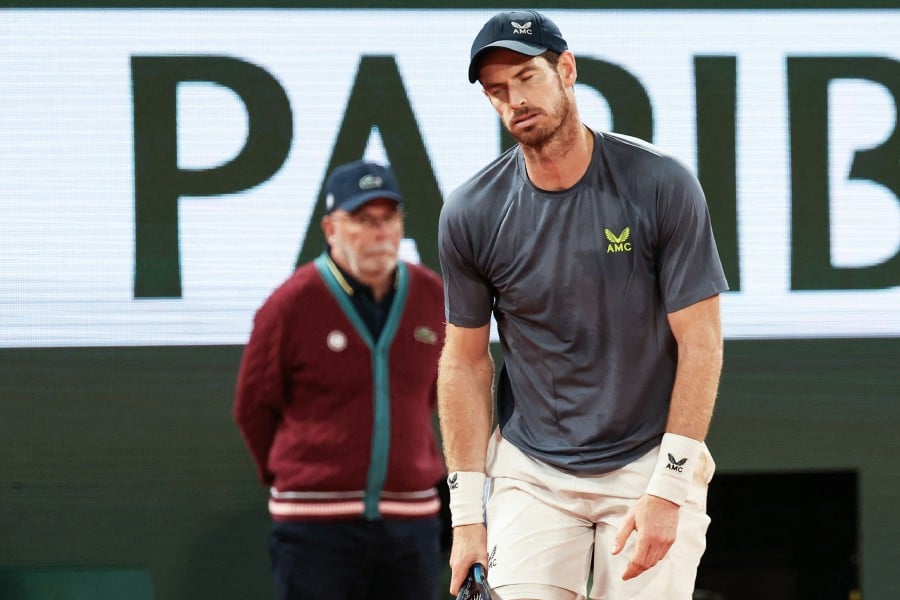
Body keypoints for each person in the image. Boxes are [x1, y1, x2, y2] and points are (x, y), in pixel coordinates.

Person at [437, 10, 729, 600]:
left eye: (526, 77)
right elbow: (464, 363)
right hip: (532, 471)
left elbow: (701, 343)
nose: (514, 100)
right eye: (498, 91)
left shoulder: (661, 184)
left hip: (648, 461)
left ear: (566, 71)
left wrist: (669, 488)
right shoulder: (470, 213)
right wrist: (467, 516)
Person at [234, 160, 447, 600]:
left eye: (388, 218)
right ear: (331, 228)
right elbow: (253, 406)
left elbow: (436, 395)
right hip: (315, 527)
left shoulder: (432, 297)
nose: (379, 232)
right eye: (363, 220)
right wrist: (301, 474)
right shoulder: (291, 304)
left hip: (412, 523)